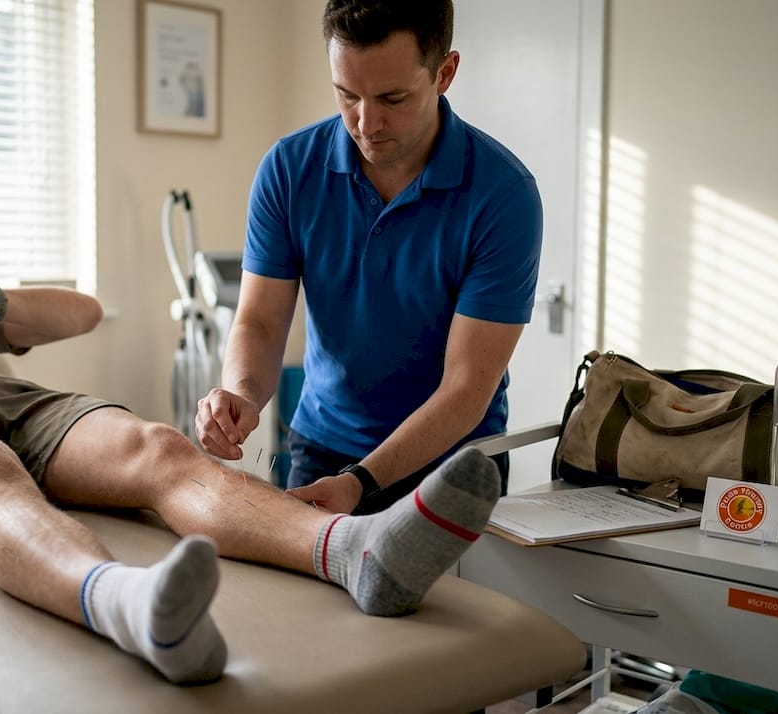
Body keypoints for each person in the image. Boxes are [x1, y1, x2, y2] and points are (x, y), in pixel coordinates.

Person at [0, 145, 503, 685]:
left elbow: (85, 313)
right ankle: (126, 604)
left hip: (12, 401)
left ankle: (357, 553)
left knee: (158, 445)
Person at [195, 0, 541, 515]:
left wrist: (364, 480)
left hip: (456, 460)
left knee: (443, 600)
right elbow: (262, 321)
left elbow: (467, 386)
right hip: (323, 449)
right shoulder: (289, 170)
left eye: (392, 98)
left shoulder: (503, 195)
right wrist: (241, 395)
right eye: (346, 94)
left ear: (444, 73)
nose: (366, 122)